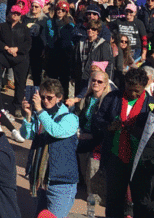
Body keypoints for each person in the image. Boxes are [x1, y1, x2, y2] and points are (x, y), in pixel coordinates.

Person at [93, 67, 154, 218]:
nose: (132, 93)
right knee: (114, 200)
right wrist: (108, 126)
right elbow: (98, 119)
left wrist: (137, 131)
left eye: (136, 90)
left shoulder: (151, 103)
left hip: (140, 162)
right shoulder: (113, 98)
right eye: (129, 88)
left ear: (144, 86)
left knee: (142, 202)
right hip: (116, 157)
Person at [20, 79, 79, 218]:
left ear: (59, 97)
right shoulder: (42, 115)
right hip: (41, 180)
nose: (45, 101)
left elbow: (55, 130)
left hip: (61, 183)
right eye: (42, 97)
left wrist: (39, 110)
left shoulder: (70, 118)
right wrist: (28, 116)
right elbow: (26, 134)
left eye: (49, 97)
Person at [65, 69, 112, 214]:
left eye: (99, 82)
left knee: (91, 170)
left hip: (97, 140)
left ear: (105, 84)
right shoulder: (87, 98)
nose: (96, 83)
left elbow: (106, 125)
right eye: (93, 81)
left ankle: (91, 203)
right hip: (83, 135)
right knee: (84, 172)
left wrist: (91, 136)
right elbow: (79, 116)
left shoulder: (107, 101)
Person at [0, 3, 31, 118]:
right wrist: (7, 48)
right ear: (9, 13)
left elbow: (28, 43)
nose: (15, 15)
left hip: (20, 56)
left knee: (20, 82)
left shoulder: (24, 28)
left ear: (20, 16)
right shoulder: (2, 26)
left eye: (17, 14)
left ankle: (17, 105)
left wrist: (17, 49)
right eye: (13, 13)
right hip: (5, 54)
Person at [73, 20, 113, 90]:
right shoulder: (81, 42)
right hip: (80, 78)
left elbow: (108, 64)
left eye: (93, 29)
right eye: (88, 28)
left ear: (98, 31)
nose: (90, 30)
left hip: (95, 80)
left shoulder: (103, 44)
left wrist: (107, 80)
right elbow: (75, 60)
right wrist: (73, 75)